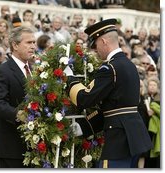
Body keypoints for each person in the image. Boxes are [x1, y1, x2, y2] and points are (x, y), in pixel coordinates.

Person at [66, 19, 153, 168]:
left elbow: (84, 99)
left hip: (118, 140)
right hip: (132, 137)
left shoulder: (110, 68)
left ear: (104, 41)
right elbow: (113, 106)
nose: (95, 50)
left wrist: (70, 79)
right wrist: (85, 126)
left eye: (96, 45)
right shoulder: (129, 65)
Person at [0, 26, 36, 168]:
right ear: (15, 45)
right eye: (28, 43)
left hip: (35, 145)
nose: (33, 46)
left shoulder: (34, 70)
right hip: (12, 146)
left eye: (34, 42)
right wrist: (19, 114)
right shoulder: (1, 71)